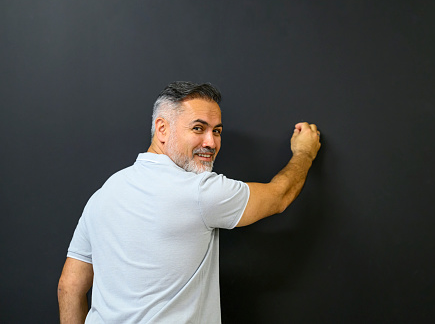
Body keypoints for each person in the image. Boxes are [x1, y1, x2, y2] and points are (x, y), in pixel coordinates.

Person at [57, 81, 321, 323]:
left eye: (216, 131)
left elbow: (69, 287)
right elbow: (280, 196)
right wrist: (304, 152)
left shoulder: (104, 194)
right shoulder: (200, 192)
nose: (211, 142)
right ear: (162, 129)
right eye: (198, 128)